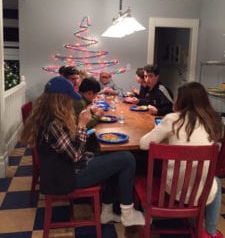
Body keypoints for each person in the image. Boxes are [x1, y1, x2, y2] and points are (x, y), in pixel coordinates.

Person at [20, 76, 145, 227]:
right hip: (64, 178)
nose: (70, 103)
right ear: (60, 99)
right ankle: (128, 214)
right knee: (127, 158)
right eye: (68, 99)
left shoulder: (48, 116)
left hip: (62, 170)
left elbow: (70, 149)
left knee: (112, 157)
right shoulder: (52, 124)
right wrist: (81, 125)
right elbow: (76, 155)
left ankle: (107, 212)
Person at [140, 81, 224, 238]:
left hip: (174, 191)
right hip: (201, 192)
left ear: (181, 100)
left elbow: (144, 144)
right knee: (216, 182)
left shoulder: (172, 119)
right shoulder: (213, 121)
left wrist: (166, 142)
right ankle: (210, 232)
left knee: (173, 172)